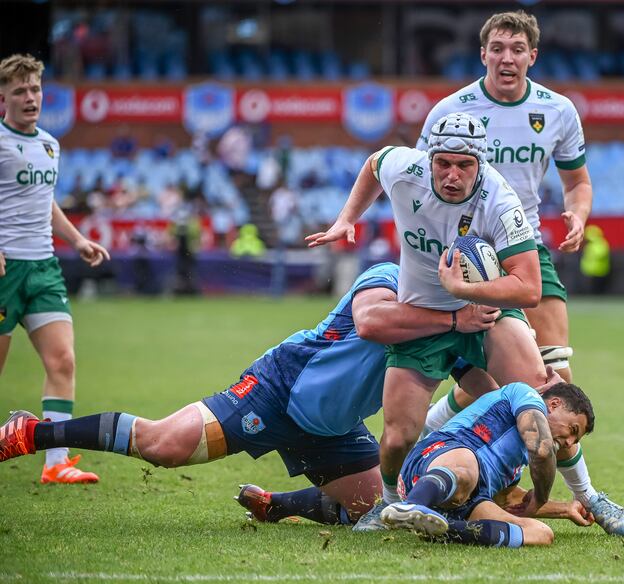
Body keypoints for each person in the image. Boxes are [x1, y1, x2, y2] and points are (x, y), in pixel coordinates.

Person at [0, 262, 499, 524]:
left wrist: (520, 411)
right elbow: (371, 324)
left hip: (334, 430)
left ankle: (277, 504)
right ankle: (32, 431)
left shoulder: (446, 334)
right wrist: (455, 320)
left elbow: (483, 392)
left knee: (385, 510)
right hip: (277, 390)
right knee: (165, 447)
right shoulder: (387, 278)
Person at [415, 11, 624, 535]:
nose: (507, 57)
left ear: (532, 56)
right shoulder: (451, 111)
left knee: (556, 381)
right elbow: (425, 182)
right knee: (493, 382)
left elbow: (578, 181)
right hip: (465, 250)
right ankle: (431, 445)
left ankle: (587, 497)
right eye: (498, 48)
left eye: (518, 48)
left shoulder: (557, 110)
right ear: (484, 53)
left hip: (525, 250)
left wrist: (578, 214)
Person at [306, 112, 553, 529]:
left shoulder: (500, 199)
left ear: (481, 165)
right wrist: (347, 218)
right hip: (422, 315)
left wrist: (466, 293)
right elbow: (373, 164)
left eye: (464, 165)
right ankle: (387, 505)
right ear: (429, 158)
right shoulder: (406, 168)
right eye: (443, 163)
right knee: (400, 435)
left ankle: (583, 493)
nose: (452, 175)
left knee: (535, 391)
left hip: (485, 310)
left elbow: (528, 288)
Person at [0, 54, 110, 484]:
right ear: (3, 98)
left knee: (62, 360)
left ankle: (56, 462)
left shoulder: (49, 144)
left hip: (43, 267)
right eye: (20, 92)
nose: (31, 98)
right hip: (5, 269)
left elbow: (43, 201)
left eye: (35, 90)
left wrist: (78, 239)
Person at [381, 381, 595, 547]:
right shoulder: (524, 394)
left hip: (465, 498)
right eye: (573, 430)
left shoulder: (516, 462)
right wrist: (540, 497)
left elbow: (508, 498)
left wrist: (565, 509)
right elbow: (541, 449)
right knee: (467, 469)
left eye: (575, 441)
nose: (569, 442)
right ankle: (411, 504)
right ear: (554, 404)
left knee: (539, 533)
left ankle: (444, 529)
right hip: (433, 459)